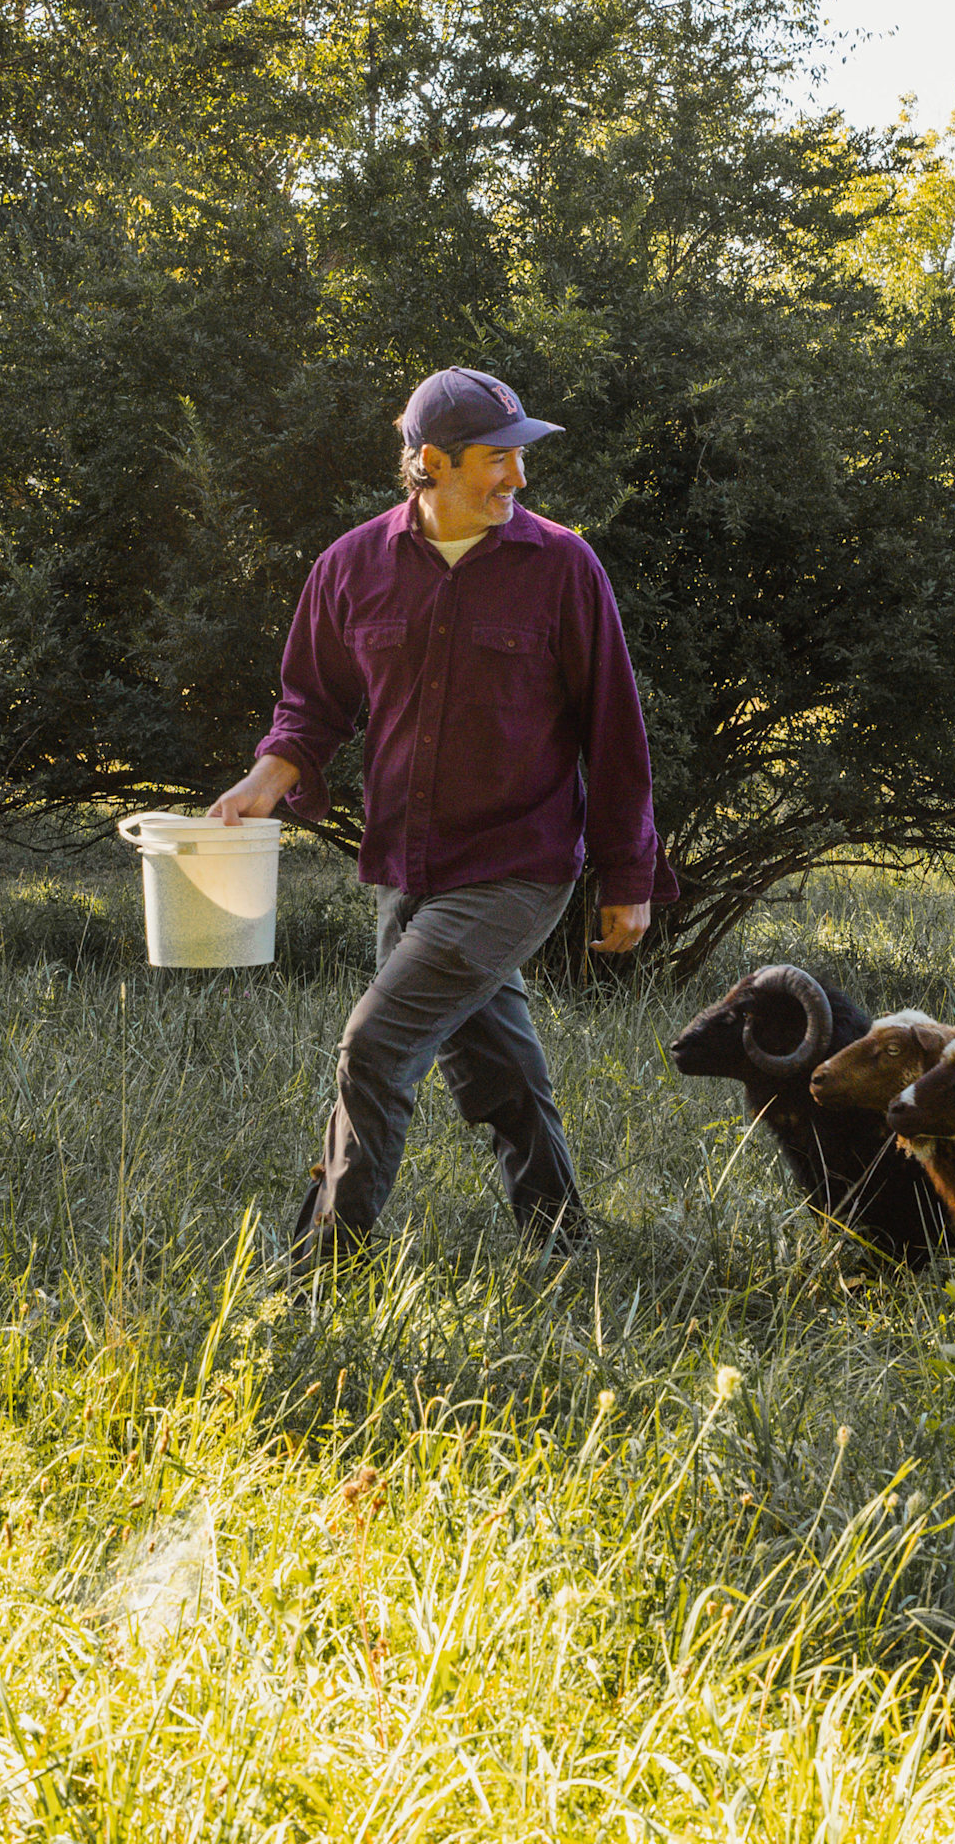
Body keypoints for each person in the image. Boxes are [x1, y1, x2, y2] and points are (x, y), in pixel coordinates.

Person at [207, 366, 659, 1265]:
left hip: (520, 863)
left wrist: (628, 872)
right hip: (406, 865)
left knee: (374, 1046)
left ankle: (324, 1267)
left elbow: (613, 725)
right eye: (497, 459)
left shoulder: (562, 566)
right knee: (497, 1063)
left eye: (520, 458)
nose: (518, 477)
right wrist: (264, 781)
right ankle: (562, 1242)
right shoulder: (350, 566)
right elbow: (312, 706)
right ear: (432, 463)